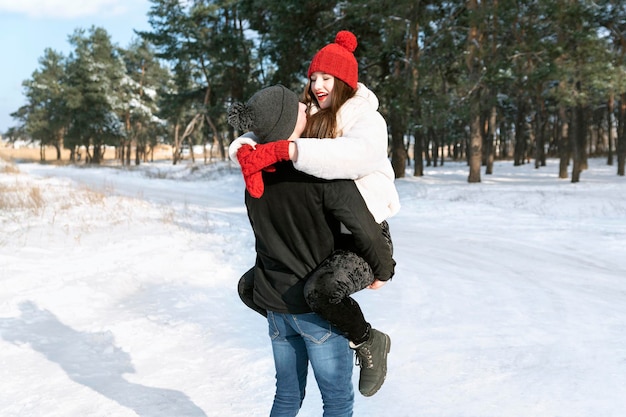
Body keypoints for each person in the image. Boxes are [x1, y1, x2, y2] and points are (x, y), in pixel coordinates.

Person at [229, 30, 399, 397]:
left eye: (327, 77)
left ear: (345, 81)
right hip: (327, 230)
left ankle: (367, 341)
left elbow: (353, 157)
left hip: (364, 231)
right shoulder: (314, 112)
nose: (317, 85)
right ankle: (311, 330)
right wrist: (245, 149)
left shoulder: (367, 120)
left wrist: (288, 150)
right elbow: (267, 126)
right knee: (254, 288)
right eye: (313, 77)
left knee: (320, 291)